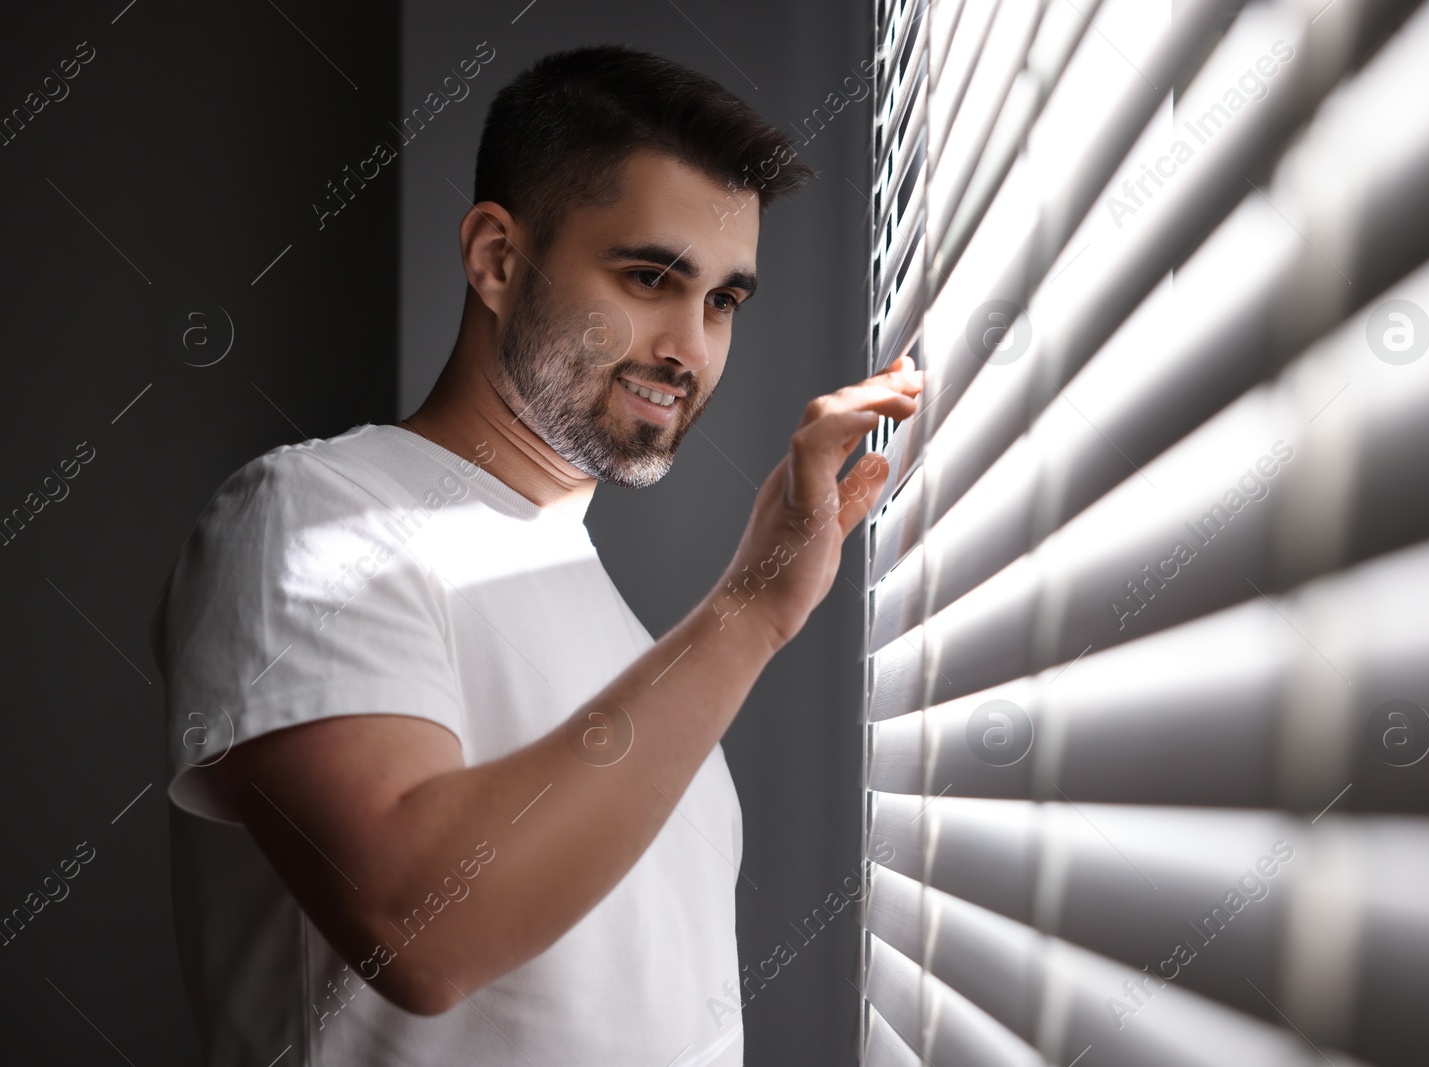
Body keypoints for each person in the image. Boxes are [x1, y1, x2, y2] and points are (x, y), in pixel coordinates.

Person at [149, 44, 922, 1067]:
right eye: (650, 276)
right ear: (498, 260)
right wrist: (751, 611)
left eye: (724, 300)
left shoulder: (611, 620)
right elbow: (419, 925)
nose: (689, 347)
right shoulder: (308, 514)